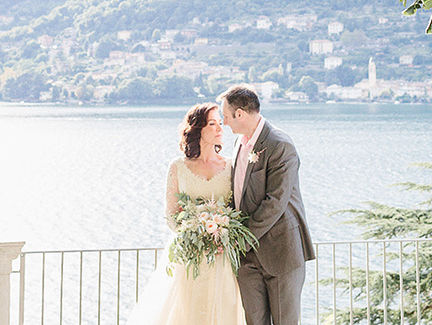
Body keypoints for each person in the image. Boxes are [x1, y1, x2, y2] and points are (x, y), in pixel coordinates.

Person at [128, 102, 248, 325]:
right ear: (198, 128)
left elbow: (239, 210)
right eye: (213, 124)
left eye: (221, 123)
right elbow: (171, 215)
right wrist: (196, 233)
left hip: (223, 257)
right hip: (189, 256)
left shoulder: (232, 166)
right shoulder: (178, 167)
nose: (220, 129)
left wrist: (219, 234)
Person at [220, 85, 314, 325]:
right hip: (246, 258)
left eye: (226, 116)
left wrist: (241, 239)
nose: (224, 123)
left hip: (281, 252)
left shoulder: (280, 145)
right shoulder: (239, 143)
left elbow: (275, 202)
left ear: (239, 114)